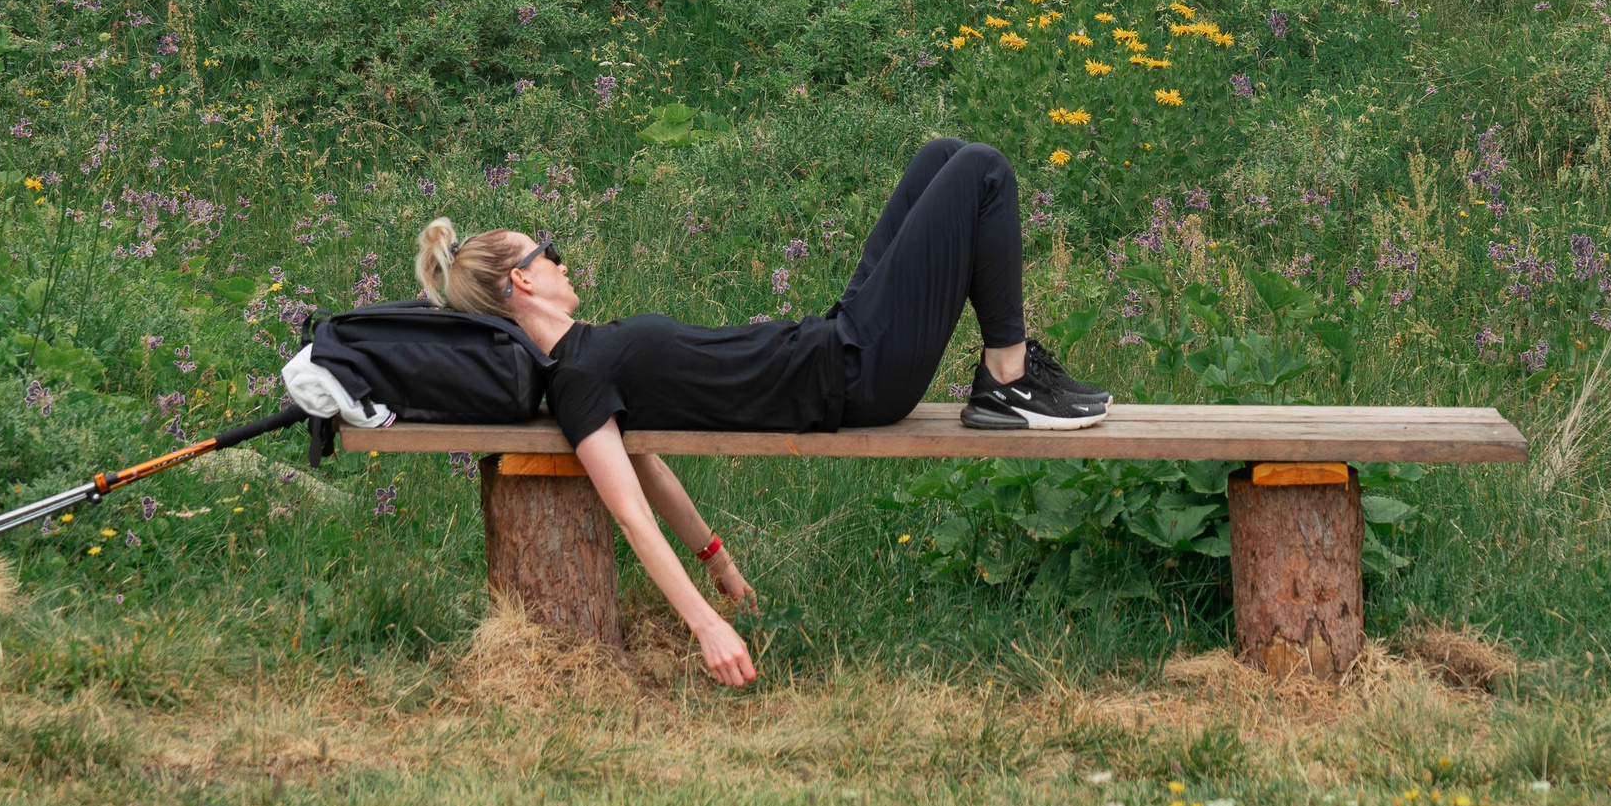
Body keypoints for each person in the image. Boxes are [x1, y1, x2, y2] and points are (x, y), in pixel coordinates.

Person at [413, 137, 1109, 686]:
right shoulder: (578, 380)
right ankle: (1008, 381)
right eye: (550, 252)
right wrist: (706, 626)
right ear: (522, 280)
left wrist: (717, 556)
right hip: (856, 375)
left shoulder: (589, 357)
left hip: (836, 336)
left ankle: (1008, 378)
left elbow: (647, 465)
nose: (563, 261)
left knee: (944, 157)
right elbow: (630, 512)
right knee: (984, 170)